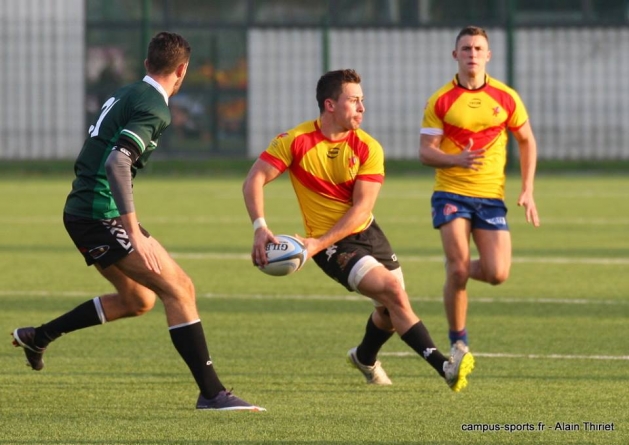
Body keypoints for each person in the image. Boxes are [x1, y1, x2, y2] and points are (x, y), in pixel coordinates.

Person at [11, 31, 264, 412]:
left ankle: (40, 336)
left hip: (89, 210)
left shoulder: (129, 92)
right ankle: (212, 393)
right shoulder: (156, 107)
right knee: (180, 289)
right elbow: (117, 162)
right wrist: (133, 233)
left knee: (138, 299)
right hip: (98, 214)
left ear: (147, 65)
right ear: (183, 70)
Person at [243, 68, 474, 392]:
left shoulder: (368, 148)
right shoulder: (295, 141)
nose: (362, 108)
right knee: (394, 295)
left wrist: (313, 244)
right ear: (330, 105)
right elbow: (254, 179)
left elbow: (361, 209)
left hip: (363, 233)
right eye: (354, 101)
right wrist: (261, 227)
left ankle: (364, 357)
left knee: (388, 309)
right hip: (330, 246)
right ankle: (445, 366)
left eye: (363, 100)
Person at [419, 26, 541, 349]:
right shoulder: (441, 100)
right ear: (455, 55)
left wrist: (527, 188)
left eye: (477, 49)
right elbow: (425, 151)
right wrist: (455, 159)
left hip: (490, 196)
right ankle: (458, 341)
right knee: (459, 270)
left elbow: (527, 141)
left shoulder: (506, 97)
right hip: (450, 193)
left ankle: (454, 267)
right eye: (466, 49)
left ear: (488, 55)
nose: (472, 54)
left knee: (497, 272)